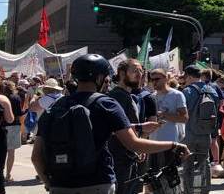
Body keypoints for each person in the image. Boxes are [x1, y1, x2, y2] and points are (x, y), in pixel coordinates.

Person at [32, 54, 189, 194]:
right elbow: (134, 144)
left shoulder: (56, 106)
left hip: (60, 184)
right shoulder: (106, 104)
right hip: (98, 183)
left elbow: (36, 157)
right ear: (100, 78)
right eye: (106, 79)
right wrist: (173, 145)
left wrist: (49, 184)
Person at [106, 59, 148, 194]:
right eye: (135, 70)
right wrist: (142, 128)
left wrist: (138, 148)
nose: (140, 74)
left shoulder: (128, 96)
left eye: (141, 71)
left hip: (129, 157)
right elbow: (115, 128)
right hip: (118, 158)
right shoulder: (117, 96)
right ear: (122, 74)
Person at [181, 64, 222, 193]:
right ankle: (204, 190)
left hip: (189, 134)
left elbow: (183, 113)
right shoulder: (212, 90)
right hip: (206, 134)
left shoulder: (187, 91)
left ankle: (189, 191)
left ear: (188, 76)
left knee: (188, 165)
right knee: (204, 164)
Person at [149, 68, 188, 177]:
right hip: (153, 142)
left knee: (169, 177)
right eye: (151, 79)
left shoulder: (177, 95)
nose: (154, 82)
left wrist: (165, 115)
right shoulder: (151, 96)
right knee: (154, 178)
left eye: (157, 79)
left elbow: (184, 118)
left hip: (169, 141)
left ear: (166, 78)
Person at [0, 81, 22, 186]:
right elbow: (17, 114)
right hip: (13, 125)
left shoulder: (2, 97)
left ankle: (3, 175)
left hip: (3, 126)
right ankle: (8, 175)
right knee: (11, 152)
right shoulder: (14, 98)